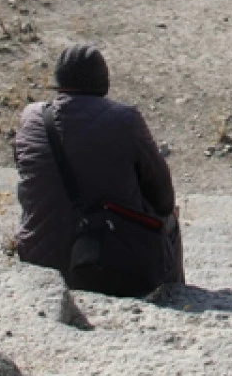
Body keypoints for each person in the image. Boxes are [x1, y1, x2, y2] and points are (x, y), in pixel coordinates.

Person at [14, 44, 183, 296]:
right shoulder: (126, 120)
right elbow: (163, 200)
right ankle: (176, 295)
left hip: (40, 256)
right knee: (170, 221)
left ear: (58, 83)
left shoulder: (31, 117)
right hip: (110, 262)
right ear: (103, 83)